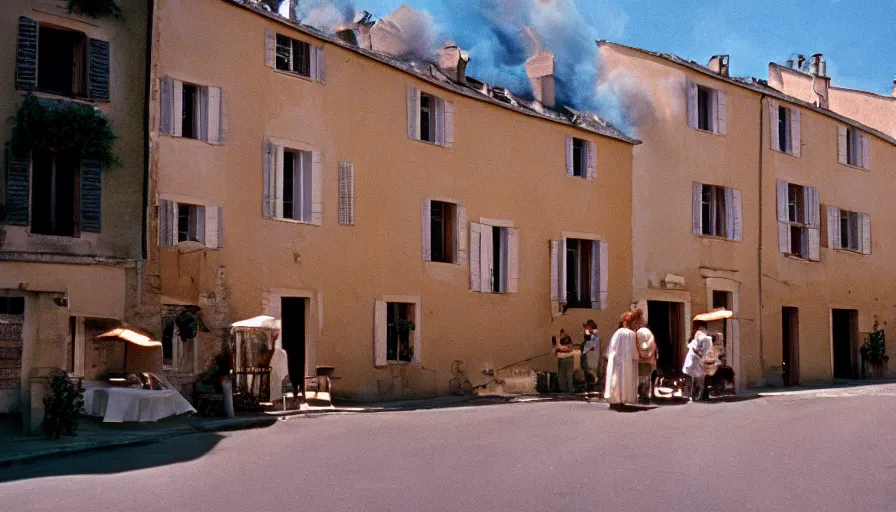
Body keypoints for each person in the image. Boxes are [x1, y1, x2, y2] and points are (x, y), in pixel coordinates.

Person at [604, 309, 642, 407]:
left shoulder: (618, 332)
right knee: (625, 377)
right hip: (626, 361)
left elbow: (611, 348)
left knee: (616, 378)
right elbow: (633, 352)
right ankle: (623, 397)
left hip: (615, 360)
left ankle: (615, 397)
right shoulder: (631, 334)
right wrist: (639, 357)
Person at [683, 320, 714, 401]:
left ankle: (693, 395)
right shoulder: (702, 335)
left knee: (694, 378)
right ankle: (698, 395)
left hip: (693, 359)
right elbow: (703, 349)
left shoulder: (698, 334)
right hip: (697, 359)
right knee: (700, 379)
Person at [635, 325, 658, 404]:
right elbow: (655, 353)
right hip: (648, 363)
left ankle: (641, 394)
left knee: (640, 378)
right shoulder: (651, 339)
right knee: (647, 378)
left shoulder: (637, 338)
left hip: (639, 362)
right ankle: (646, 395)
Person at [581, 320, 600, 391]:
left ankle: (592, 388)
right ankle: (589, 388)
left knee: (591, 374)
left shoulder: (595, 336)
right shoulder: (590, 335)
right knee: (587, 374)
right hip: (588, 358)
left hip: (592, 358)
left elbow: (590, 346)